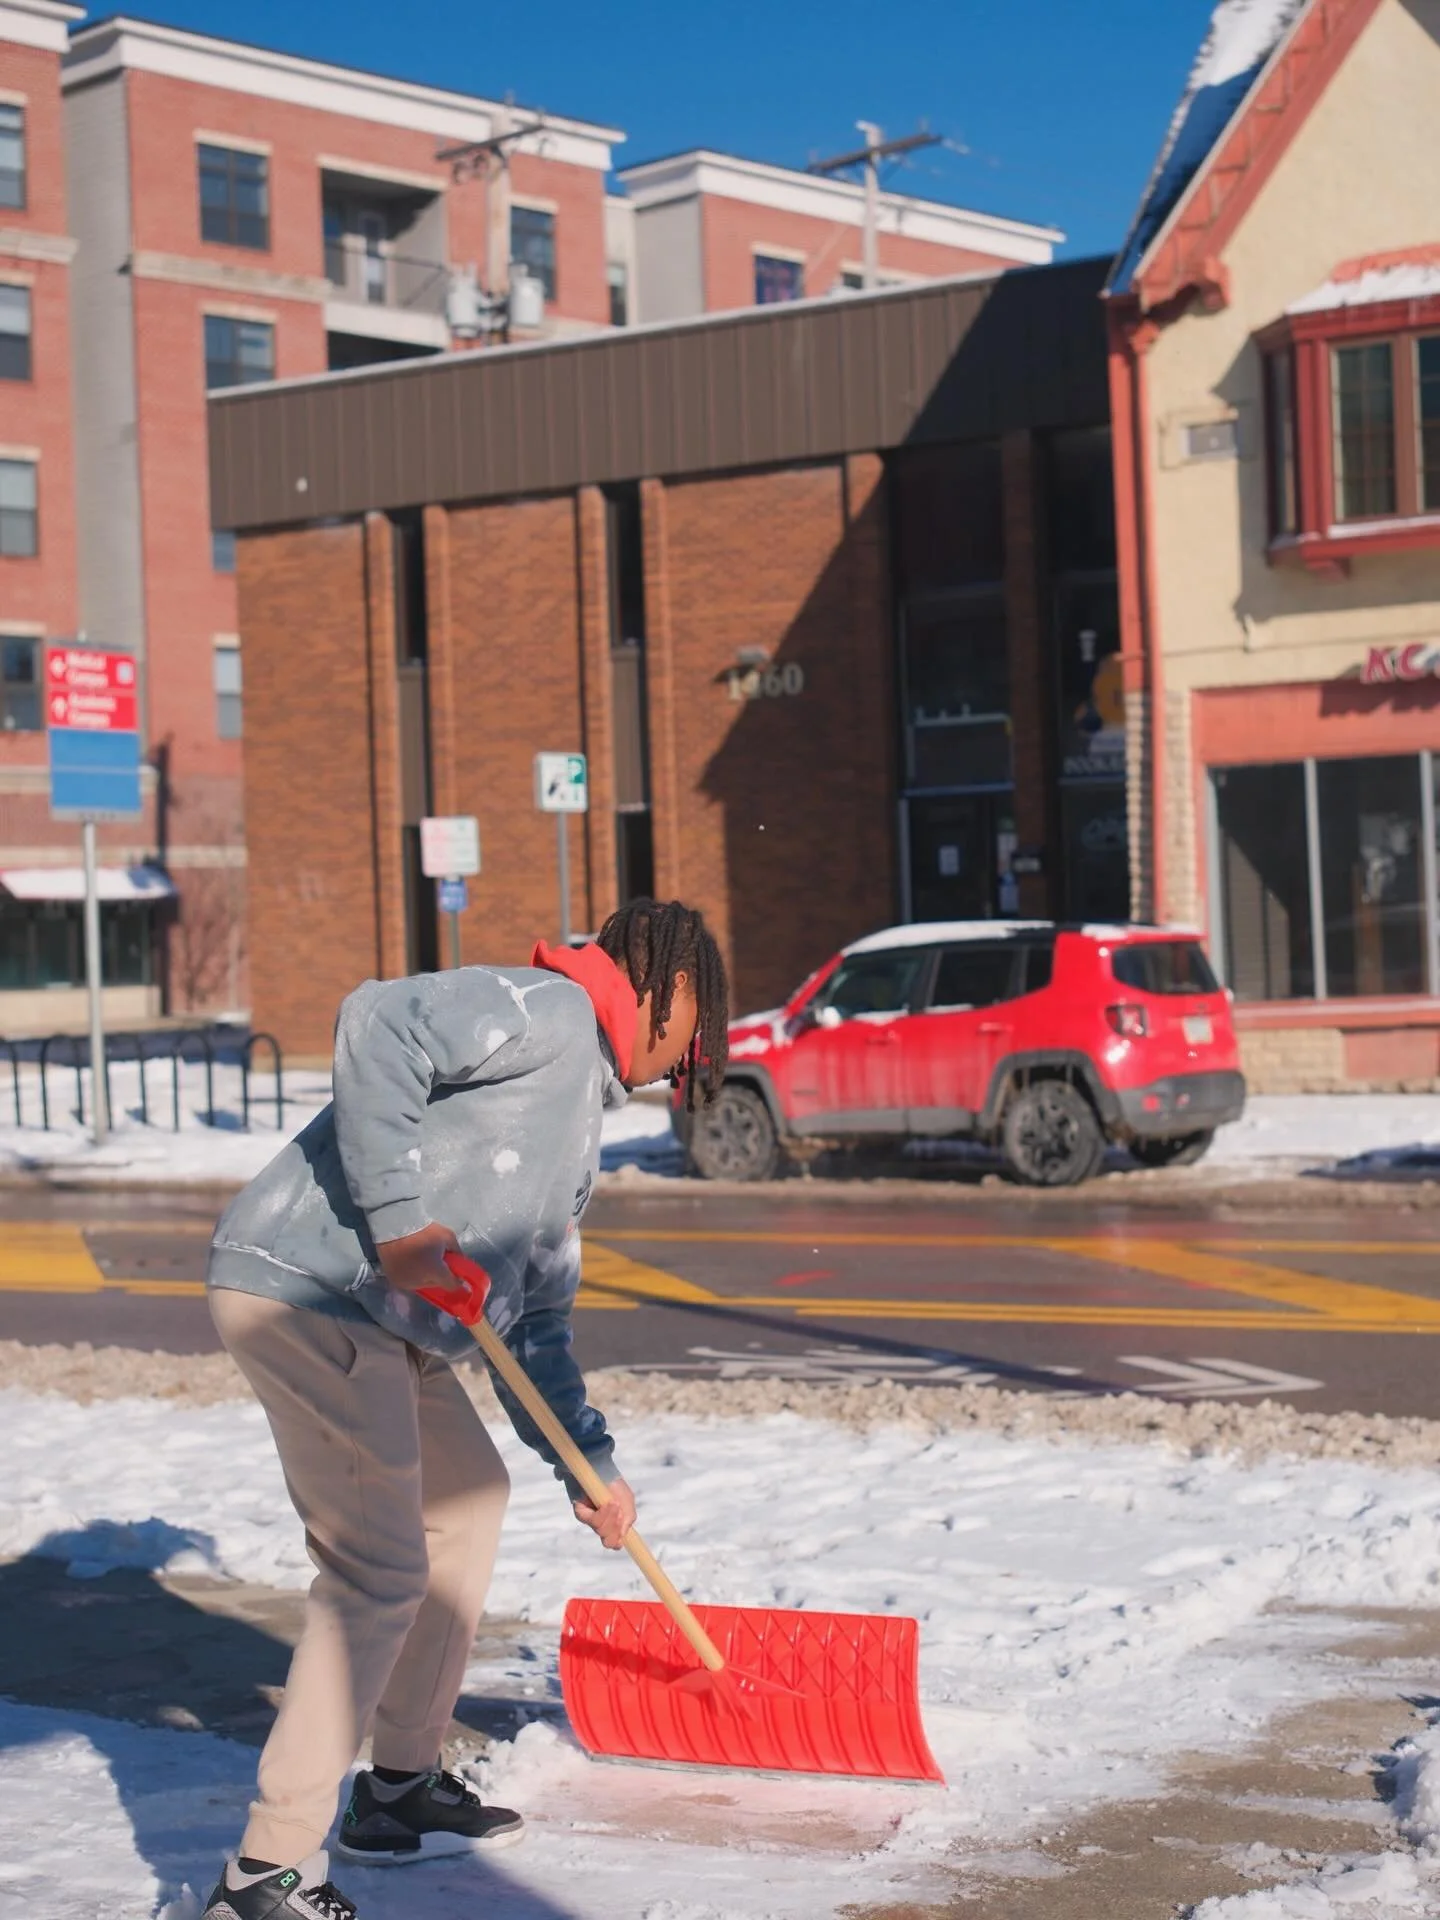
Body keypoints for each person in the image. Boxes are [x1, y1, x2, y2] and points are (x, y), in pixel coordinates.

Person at [201, 899, 729, 1920]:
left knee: (469, 1499)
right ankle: (266, 1872)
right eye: (697, 1020)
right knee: (380, 1566)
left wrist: (589, 1465)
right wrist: (400, 1223)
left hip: (391, 1324)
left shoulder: (576, 1134)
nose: (692, 1053)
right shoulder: (546, 1011)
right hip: (311, 1290)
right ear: (658, 985)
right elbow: (376, 1023)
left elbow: (535, 1332)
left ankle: (395, 1790)